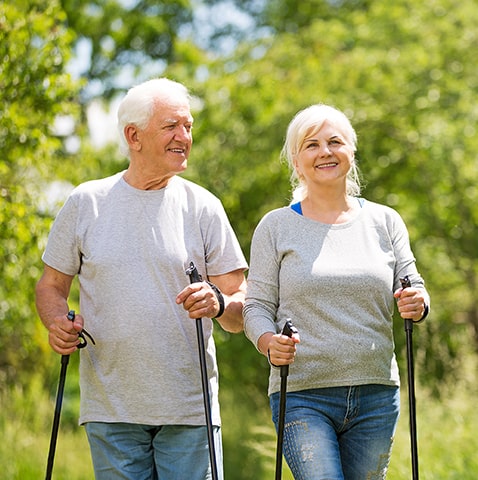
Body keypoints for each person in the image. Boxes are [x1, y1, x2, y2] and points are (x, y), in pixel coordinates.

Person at [35, 77, 248, 480]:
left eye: (187, 126)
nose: (184, 136)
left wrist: (219, 302)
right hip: (112, 412)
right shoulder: (86, 203)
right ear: (134, 136)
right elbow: (51, 286)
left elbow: (241, 307)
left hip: (190, 410)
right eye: (171, 126)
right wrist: (55, 322)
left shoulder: (203, 207)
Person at [243, 104, 430, 479]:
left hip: (376, 394)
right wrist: (268, 341)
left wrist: (418, 303)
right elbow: (256, 306)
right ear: (296, 162)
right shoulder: (275, 227)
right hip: (302, 395)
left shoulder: (384, 220)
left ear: (351, 151)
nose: (324, 152)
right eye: (311, 145)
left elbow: (414, 287)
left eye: (334, 142)